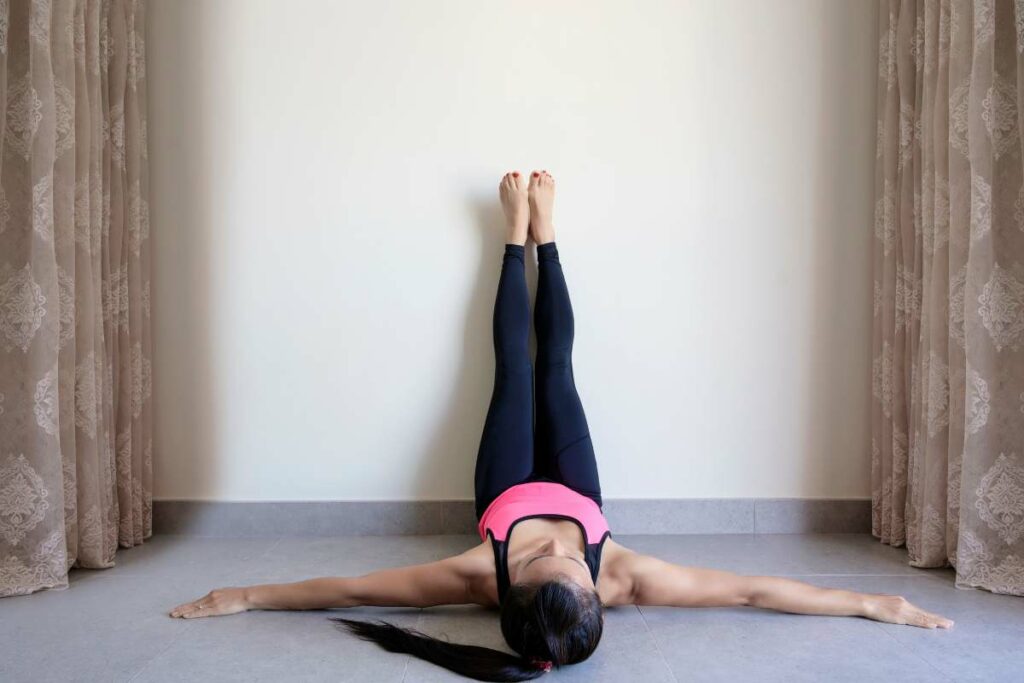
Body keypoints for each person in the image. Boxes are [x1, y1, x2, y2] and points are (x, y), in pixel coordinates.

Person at [170, 170, 953, 682]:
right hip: (577, 483)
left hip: (506, 484)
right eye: (564, 561)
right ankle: (550, 232)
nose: (549, 545)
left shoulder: (480, 572)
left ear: (508, 584)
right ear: (601, 590)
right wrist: (869, 603)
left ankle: (513, 236)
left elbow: (346, 588)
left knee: (515, 369)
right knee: (560, 369)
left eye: (536, 560)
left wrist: (243, 593)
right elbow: (750, 591)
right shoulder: (625, 575)